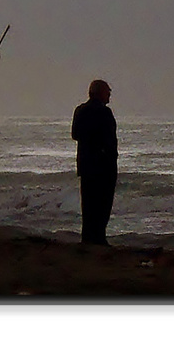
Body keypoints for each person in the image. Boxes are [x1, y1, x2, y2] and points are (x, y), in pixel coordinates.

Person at [71, 79, 117, 245]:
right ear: (101, 93)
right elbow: (109, 140)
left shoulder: (80, 110)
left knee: (89, 205)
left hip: (86, 165)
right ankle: (98, 238)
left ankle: (88, 238)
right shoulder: (104, 113)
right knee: (102, 205)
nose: (110, 95)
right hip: (103, 166)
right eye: (108, 92)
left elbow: (75, 134)